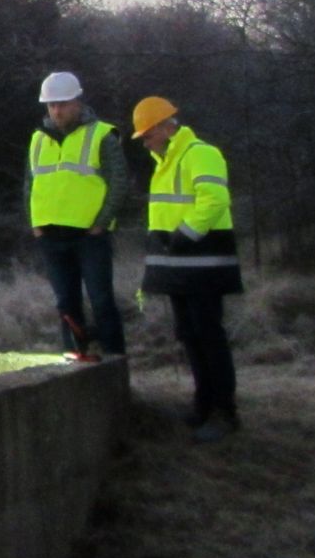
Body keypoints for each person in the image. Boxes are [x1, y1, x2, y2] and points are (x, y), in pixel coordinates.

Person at [131, 96, 244, 442]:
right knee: (191, 336)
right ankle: (203, 405)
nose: (145, 141)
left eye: (148, 134)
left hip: (203, 264)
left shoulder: (200, 153)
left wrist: (185, 235)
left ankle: (224, 412)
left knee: (208, 337)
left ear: (166, 127)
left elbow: (214, 200)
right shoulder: (164, 162)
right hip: (180, 267)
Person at [26, 71, 129, 358]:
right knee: (66, 305)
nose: (56, 110)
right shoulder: (38, 139)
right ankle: (75, 362)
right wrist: (35, 224)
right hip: (51, 236)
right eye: (51, 105)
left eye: (62, 103)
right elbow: (29, 184)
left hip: (89, 236)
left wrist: (101, 223)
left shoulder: (101, 134)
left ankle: (114, 364)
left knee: (102, 301)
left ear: (77, 103)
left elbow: (119, 182)